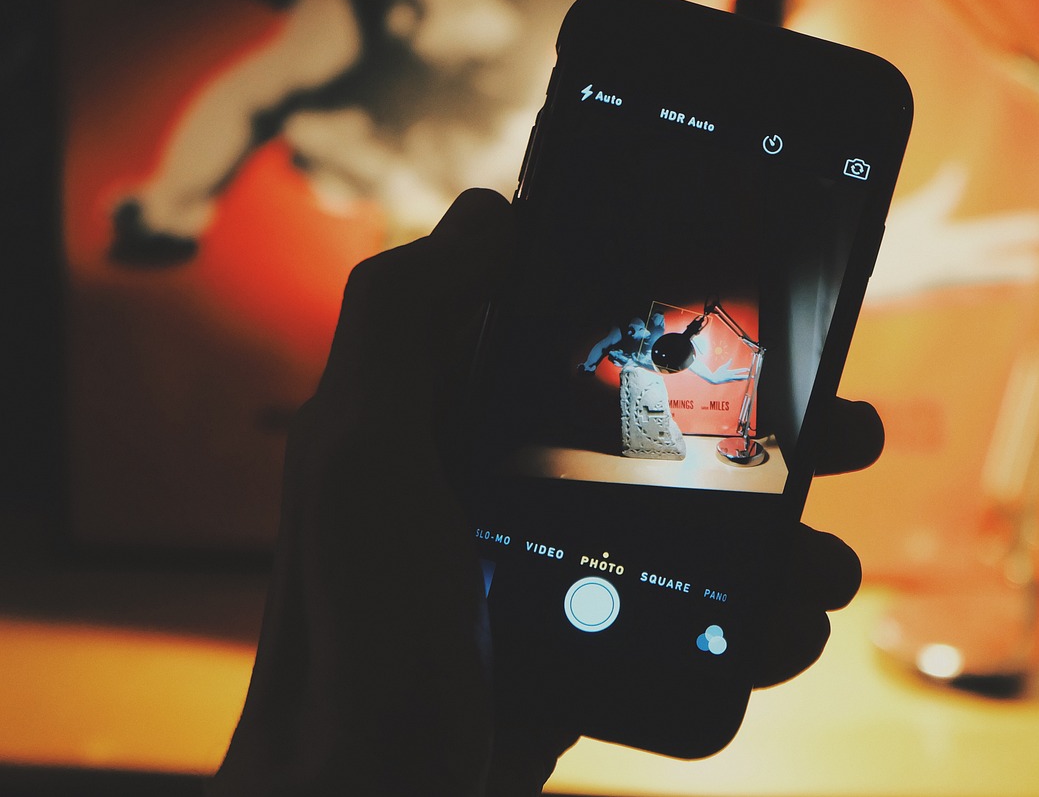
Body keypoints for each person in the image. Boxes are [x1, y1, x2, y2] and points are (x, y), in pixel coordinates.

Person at [206, 189, 882, 796]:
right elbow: (608, 357)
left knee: (678, 487)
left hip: (646, 424)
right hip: (633, 418)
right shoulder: (634, 341)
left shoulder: (665, 343)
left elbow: (692, 365)